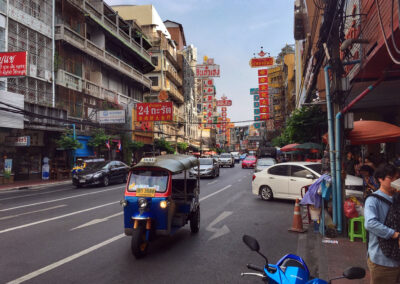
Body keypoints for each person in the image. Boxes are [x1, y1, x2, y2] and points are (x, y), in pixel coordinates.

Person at [364, 164, 400, 283]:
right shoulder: (373, 200)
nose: (395, 181)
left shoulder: (397, 197)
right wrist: (394, 234)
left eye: (397, 178)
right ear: (380, 179)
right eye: (391, 178)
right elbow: (370, 223)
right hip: (382, 260)